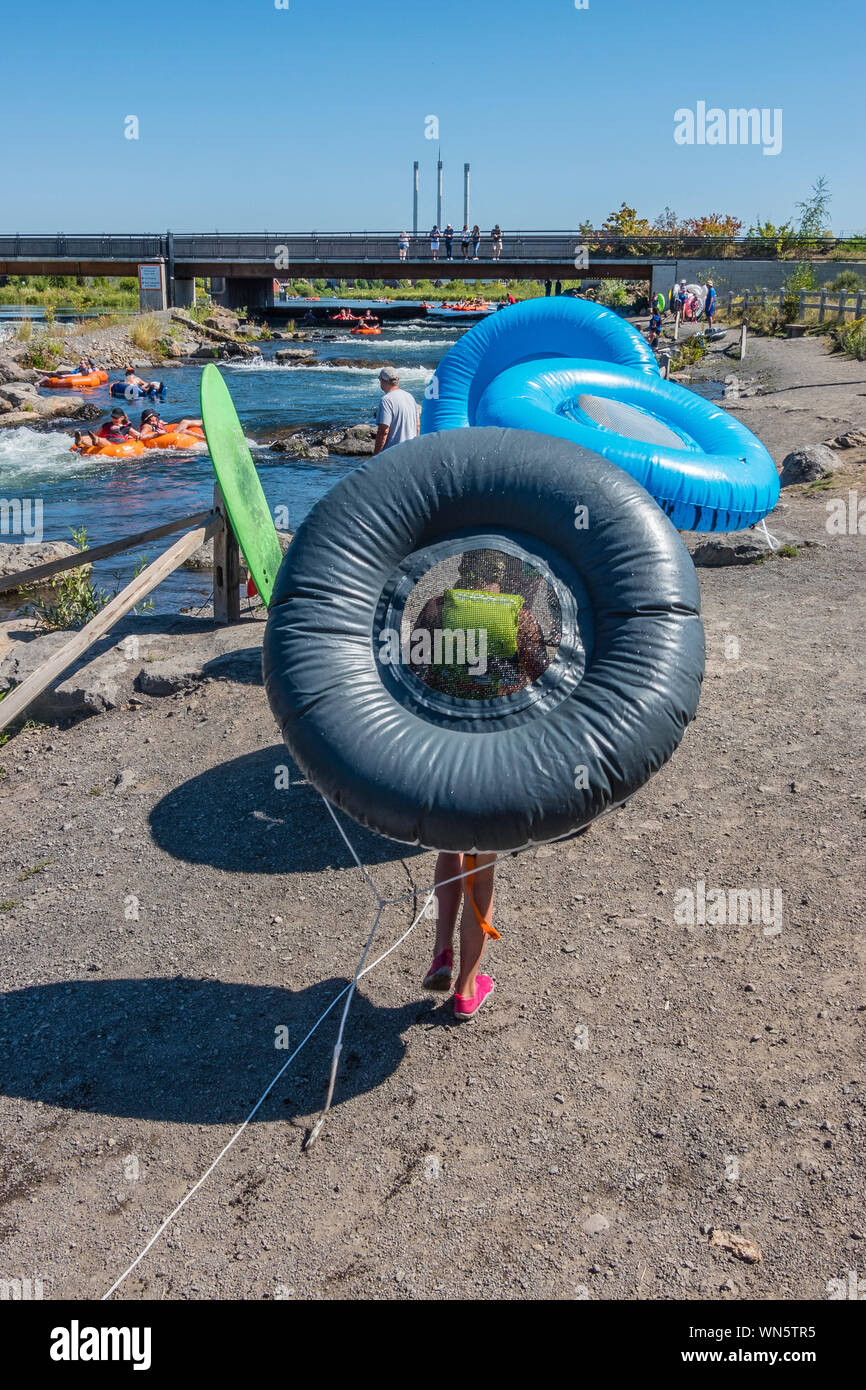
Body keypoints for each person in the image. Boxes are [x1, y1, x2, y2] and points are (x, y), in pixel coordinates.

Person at [417, 549, 549, 1017]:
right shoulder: (522, 618)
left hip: (443, 751)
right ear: (507, 574)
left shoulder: (435, 608)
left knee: (447, 851)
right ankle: (468, 990)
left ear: (463, 569)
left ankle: (440, 953)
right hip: (495, 757)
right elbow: (541, 681)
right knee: (481, 871)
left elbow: (414, 673)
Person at [373, 367, 420, 453]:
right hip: (411, 451)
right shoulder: (410, 397)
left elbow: (384, 431)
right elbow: (417, 426)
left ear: (381, 380)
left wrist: (375, 456)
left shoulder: (386, 400)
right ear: (397, 380)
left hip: (393, 455)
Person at [73, 407, 139, 450]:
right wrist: (85, 437)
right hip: (104, 440)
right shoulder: (106, 425)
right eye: (113, 418)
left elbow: (137, 435)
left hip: (112, 444)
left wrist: (135, 438)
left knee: (103, 441)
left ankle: (95, 440)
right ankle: (80, 440)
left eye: (116, 418)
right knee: (94, 440)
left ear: (122, 418)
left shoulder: (126, 428)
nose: (114, 419)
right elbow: (95, 434)